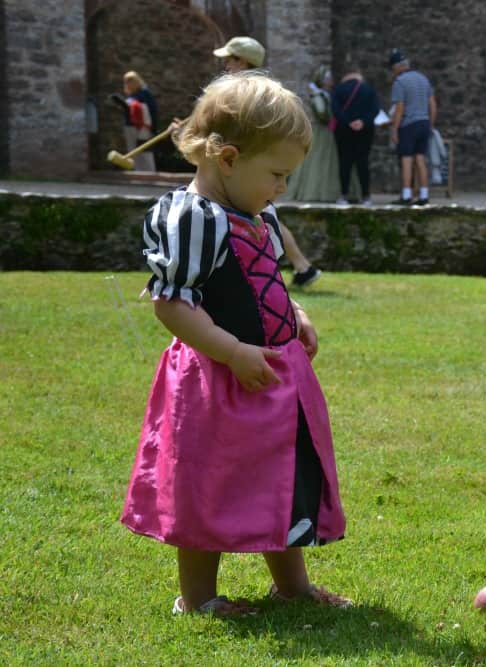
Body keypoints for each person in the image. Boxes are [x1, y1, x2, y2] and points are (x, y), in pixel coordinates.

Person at [121, 72, 350, 617]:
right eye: (276, 174)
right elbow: (171, 302)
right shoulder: (194, 220)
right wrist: (231, 350)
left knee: (284, 476)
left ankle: (291, 586)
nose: (282, 188)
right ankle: (199, 598)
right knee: (208, 480)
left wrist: (295, 314)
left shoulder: (256, 212)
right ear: (227, 158)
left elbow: (265, 275)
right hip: (217, 378)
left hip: (273, 374)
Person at [210, 36, 322, 287]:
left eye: (230, 59)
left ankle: (296, 267)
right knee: (263, 214)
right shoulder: (257, 91)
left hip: (247, 166)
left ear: (243, 61)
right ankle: (300, 267)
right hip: (247, 164)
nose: (226, 64)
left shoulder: (248, 95)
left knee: (262, 215)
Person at [285, 65, 342, 202]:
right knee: (317, 160)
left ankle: (323, 192)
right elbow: (321, 112)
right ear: (322, 80)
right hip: (320, 131)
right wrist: (330, 116)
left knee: (323, 161)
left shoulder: (323, 94)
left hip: (324, 131)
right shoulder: (318, 95)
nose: (331, 81)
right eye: (328, 78)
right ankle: (313, 192)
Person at [388, 49, 437, 206]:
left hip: (408, 124)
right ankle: (424, 195)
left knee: (407, 160)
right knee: (420, 159)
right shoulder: (423, 79)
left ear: (397, 67)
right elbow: (433, 104)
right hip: (424, 122)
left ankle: (407, 195)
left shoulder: (400, 82)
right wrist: (431, 124)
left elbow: (400, 108)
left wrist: (395, 130)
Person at [332, 65, 380, 206]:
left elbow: (335, 110)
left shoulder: (339, 89)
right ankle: (366, 196)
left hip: (343, 130)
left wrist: (348, 122)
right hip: (365, 130)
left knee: (344, 163)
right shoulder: (369, 90)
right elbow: (375, 110)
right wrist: (362, 121)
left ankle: (344, 195)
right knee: (363, 162)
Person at [122, 71, 157, 172]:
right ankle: (138, 171)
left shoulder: (145, 94)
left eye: (130, 81)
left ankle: (149, 172)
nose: (128, 83)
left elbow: (152, 111)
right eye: (126, 81)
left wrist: (153, 128)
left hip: (143, 127)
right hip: (130, 126)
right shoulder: (131, 96)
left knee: (145, 150)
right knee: (133, 150)